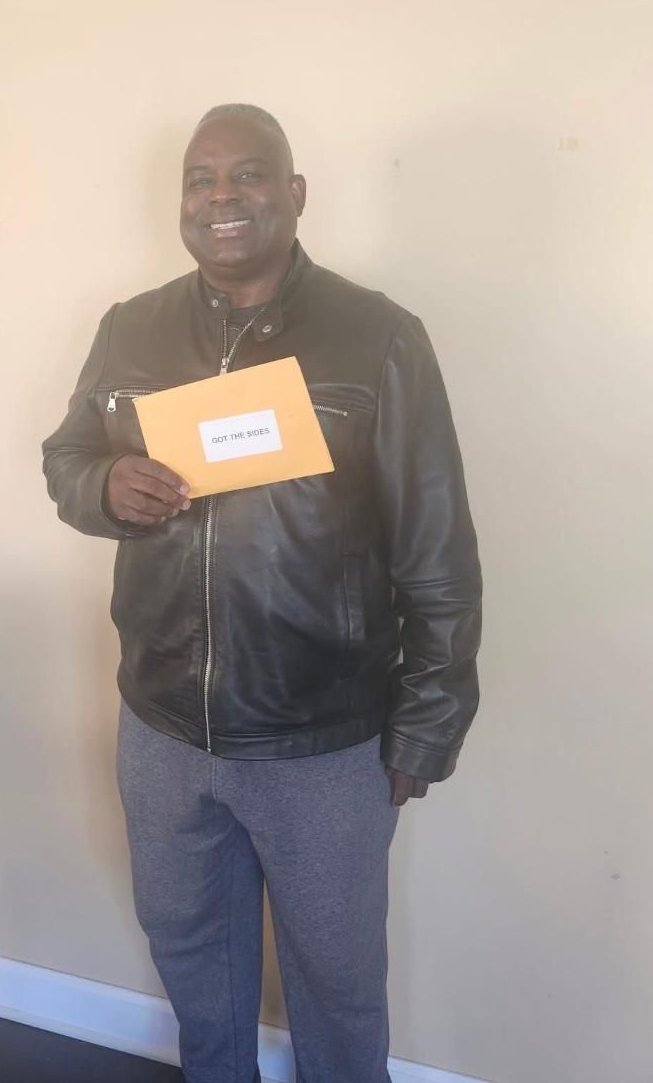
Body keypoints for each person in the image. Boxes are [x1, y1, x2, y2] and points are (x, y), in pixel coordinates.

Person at [42, 104, 481, 1083]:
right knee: (195, 966)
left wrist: (427, 727)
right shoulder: (129, 328)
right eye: (200, 179)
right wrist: (102, 485)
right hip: (163, 730)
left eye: (247, 174)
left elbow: (438, 551)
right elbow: (66, 456)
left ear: (295, 193)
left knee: (338, 987)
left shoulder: (380, 339)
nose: (221, 197)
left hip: (322, 742)